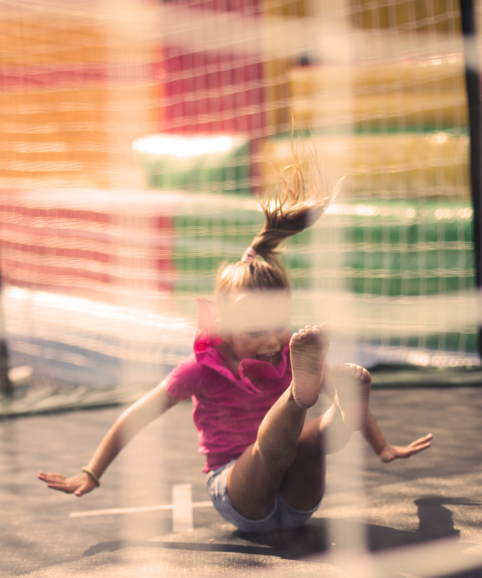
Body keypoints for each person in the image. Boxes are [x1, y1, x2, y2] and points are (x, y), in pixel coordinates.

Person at [39, 167, 433, 533]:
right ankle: (301, 400)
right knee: (270, 449)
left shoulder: (290, 354)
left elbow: (346, 388)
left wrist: (382, 447)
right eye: (256, 328)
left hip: (298, 500)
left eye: (280, 324)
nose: (271, 341)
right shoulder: (201, 369)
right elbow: (136, 417)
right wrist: (91, 472)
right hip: (238, 493)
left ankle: (333, 416)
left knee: (311, 444)